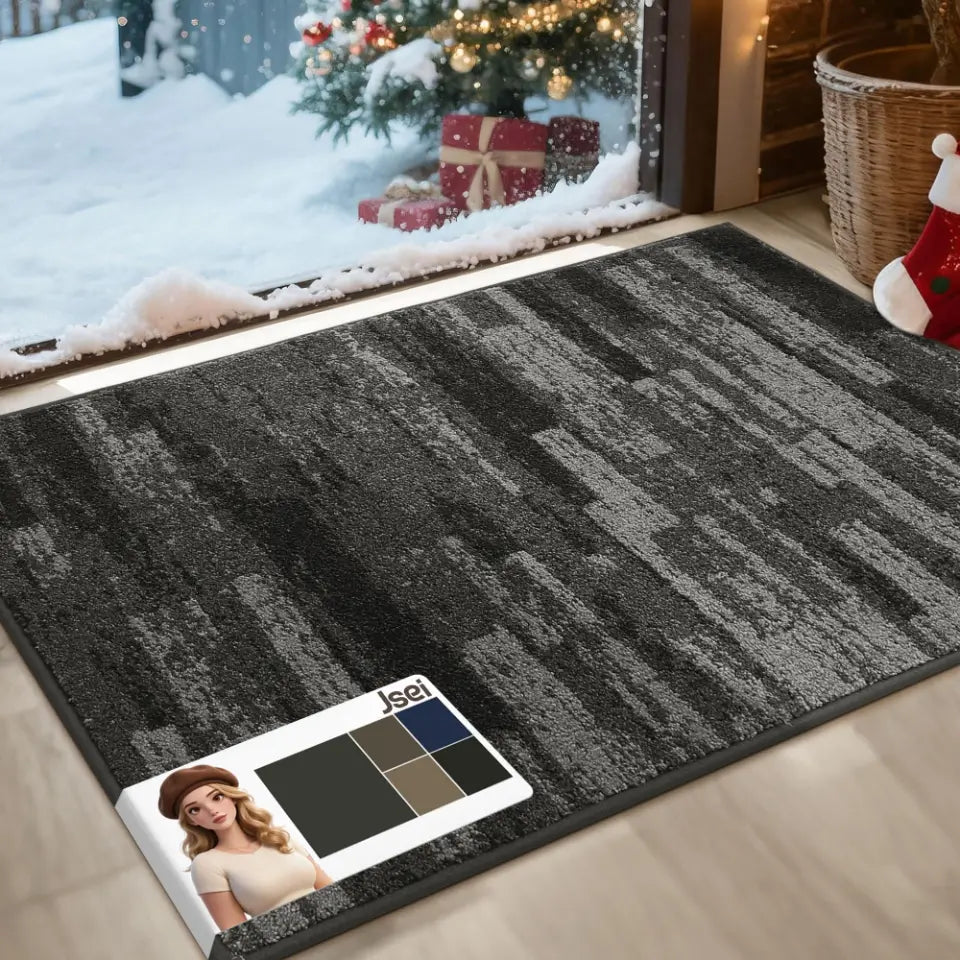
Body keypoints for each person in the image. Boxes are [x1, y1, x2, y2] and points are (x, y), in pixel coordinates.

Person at [158, 764, 334, 931]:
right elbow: (240, 936)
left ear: (232, 797)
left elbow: (333, 890)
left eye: (217, 797)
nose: (212, 810)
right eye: (195, 810)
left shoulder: (278, 837)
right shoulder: (207, 864)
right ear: (191, 821)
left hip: (341, 924)